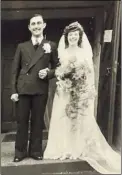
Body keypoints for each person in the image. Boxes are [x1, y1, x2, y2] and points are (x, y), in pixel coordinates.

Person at [43, 22, 121, 174]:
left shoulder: (84, 52)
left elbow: (89, 73)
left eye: (75, 35)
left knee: (77, 119)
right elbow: (58, 70)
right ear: (66, 37)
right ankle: (62, 148)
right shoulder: (62, 51)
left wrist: (85, 88)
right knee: (63, 118)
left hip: (79, 90)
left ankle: (77, 147)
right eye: (70, 35)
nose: (73, 37)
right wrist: (62, 78)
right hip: (64, 90)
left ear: (79, 37)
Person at [10, 14, 59, 162]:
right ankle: (20, 152)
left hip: (40, 88)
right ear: (29, 27)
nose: (36, 26)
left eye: (39, 23)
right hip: (23, 89)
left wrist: (49, 73)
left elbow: (58, 66)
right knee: (22, 121)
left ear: (44, 25)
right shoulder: (22, 46)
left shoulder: (51, 45)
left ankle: (36, 151)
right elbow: (14, 70)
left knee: (38, 121)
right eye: (33, 24)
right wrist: (13, 90)